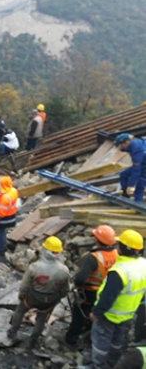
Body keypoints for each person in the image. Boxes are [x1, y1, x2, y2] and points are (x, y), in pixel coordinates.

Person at [89, 230, 146, 369]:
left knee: (100, 343)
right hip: (128, 313)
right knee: (117, 340)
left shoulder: (120, 271)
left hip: (109, 315)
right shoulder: (143, 264)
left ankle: (99, 365)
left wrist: (96, 313)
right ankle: (113, 362)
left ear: (123, 248)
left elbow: (108, 297)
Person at [7, 237, 70, 350]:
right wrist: (56, 298)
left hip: (33, 297)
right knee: (41, 319)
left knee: (20, 311)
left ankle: (12, 332)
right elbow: (64, 290)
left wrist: (22, 296)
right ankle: (33, 341)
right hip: (50, 299)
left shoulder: (34, 267)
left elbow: (25, 286)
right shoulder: (64, 270)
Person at [63, 225, 117, 348]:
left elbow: (80, 279)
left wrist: (76, 285)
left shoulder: (94, 258)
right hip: (107, 291)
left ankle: (71, 339)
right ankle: (91, 337)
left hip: (90, 293)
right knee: (97, 315)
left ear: (97, 240)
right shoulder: (116, 254)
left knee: (79, 316)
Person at [115, 133, 146, 202]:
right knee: (123, 174)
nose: (121, 147)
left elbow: (136, 171)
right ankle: (125, 194)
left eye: (121, 145)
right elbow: (128, 148)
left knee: (139, 189)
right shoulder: (135, 142)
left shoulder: (137, 153)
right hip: (142, 164)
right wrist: (121, 149)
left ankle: (139, 208)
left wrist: (130, 185)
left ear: (126, 142)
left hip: (144, 168)